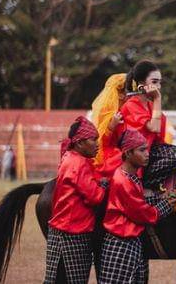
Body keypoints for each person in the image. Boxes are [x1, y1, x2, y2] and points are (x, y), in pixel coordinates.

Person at [99, 129, 173, 284]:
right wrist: (167, 204)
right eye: (142, 150)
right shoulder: (123, 181)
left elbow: (138, 202)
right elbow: (143, 214)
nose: (147, 154)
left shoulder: (131, 176)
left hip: (131, 243)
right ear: (127, 153)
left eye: (146, 149)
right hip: (121, 246)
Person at [44, 117, 108, 284]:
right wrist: (104, 185)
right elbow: (95, 197)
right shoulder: (79, 164)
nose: (97, 144)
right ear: (79, 143)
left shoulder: (69, 157)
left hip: (62, 232)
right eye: (93, 139)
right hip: (73, 235)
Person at [116, 60, 176, 189]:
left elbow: (158, 137)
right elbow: (154, 127)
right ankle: (146, 186)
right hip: (136, 154)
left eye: (160, 82)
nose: (159, 86)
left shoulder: (150, 104)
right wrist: (158, 98)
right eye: (154, 82)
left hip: (151, 150)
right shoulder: (131, 105)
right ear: (141, 83)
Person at [91, 73, 127, 177]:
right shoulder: (106, 111)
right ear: (120, 94)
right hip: (109, 156)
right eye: (129, 90)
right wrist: (112, 126)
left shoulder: (127, 108)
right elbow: (101, 140)